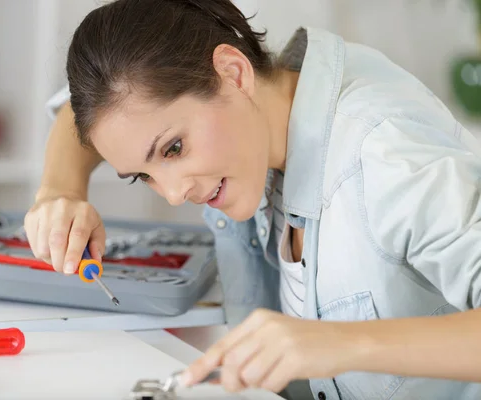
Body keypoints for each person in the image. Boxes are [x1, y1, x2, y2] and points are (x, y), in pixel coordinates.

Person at [24, 0, 481, 399]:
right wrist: (59, 192)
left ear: (233, 72)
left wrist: (339, 344)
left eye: (174, 149)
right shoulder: (267, 93)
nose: (175, 192)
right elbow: (100, 104)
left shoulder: (386, 157)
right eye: (142, 176)